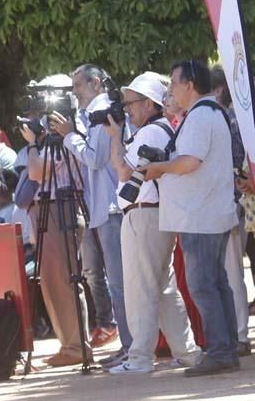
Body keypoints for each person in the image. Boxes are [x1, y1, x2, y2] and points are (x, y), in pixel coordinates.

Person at [145, 59, 240, 376]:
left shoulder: (200, 116)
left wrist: (159, 168)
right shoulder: (208, 113)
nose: (170, 89)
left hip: (200, 215)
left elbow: (189, 162)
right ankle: (226, 348)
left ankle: (220, 351)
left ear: (189, 85)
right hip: (207, 213)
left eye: (173, 83)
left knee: (203, 286)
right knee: (216, 284)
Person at [102, 73, 201, 374]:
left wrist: (115, 136)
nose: (126, 108)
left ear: (149, 103)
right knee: (162, 288)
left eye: (131, 102)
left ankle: (140, 358)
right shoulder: (158, 129)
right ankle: (188, 353)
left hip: (144, 214)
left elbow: (121, 171)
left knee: (140, 288)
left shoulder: (148, 133)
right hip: (154, 213)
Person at [49, 64, 123, 361]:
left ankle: (131, 348)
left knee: (118, 282)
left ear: (95, 83)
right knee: (114, 281)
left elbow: (94, 159)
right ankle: (129, 347)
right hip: (103, 207)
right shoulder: (91, 114)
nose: (74, 92)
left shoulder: (102, 110)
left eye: (77, 85)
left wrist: (69, 135)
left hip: (111, 206)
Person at [22, 100, 93, 367]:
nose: (36, 123)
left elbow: (35, 171)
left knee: (64, 281)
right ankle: (69, 345)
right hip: (51, 209)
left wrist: (31, 143)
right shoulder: (54, 142)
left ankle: (77, 347)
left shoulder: (65, 140)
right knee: (52, 282)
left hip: (61, 209)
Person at [210, 65, 250, 354]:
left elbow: (234, 164)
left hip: (232, 203)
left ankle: (240, 336)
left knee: (232, 273)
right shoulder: (231, 118)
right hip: (232, 202)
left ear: (217, 90)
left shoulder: (230, 120)